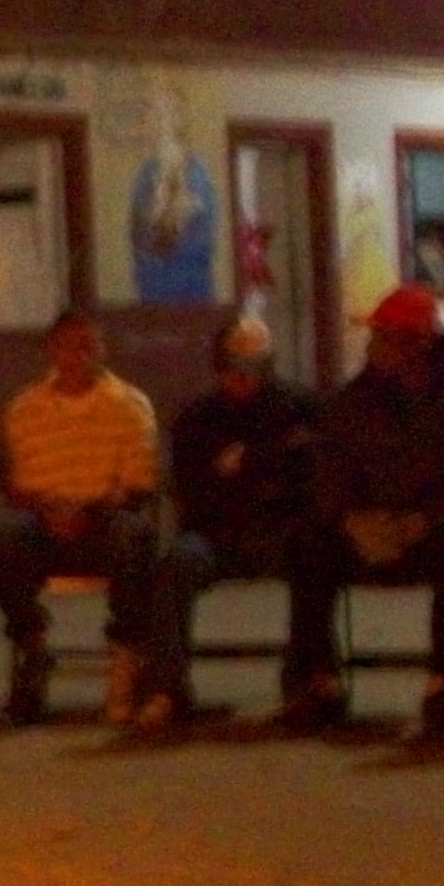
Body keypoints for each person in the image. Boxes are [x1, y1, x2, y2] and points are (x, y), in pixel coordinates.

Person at [279, 286, 444, 738]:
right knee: (307, 542)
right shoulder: (356, 400)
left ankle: (440, 686)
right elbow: (330, 466)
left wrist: (422, 519)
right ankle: (319, 681)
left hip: (432, 527)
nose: (373, 346)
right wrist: (348, 516)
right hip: (367, 525)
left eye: (385, 336)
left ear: (418, 343)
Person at [134, 312, 317, 733]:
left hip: (278, 529)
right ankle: (167, 687)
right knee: (178, 562)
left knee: (313, 552)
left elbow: (310, 472)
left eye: (258, 367)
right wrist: (259, 471)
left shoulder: (299, 407)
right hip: (215, 533)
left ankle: (304, 682)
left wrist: (248, 463)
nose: (246, 378)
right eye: (236, 367)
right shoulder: (199, 418)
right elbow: (193, 488)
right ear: (219, 367)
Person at [0, 309, 158, 724]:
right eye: (68, 346)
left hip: (102, 519)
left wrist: (91, 508)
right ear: (51, 350)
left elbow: (138, 484)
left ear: (102, 349)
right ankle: (32, 645)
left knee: (133, 535)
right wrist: (48, 508)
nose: (78, 355)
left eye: (88, 346)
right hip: (43, 519)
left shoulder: (129, 406)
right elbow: (12, 483)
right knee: (3, 535)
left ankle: (125, 657)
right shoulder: (24, 408)